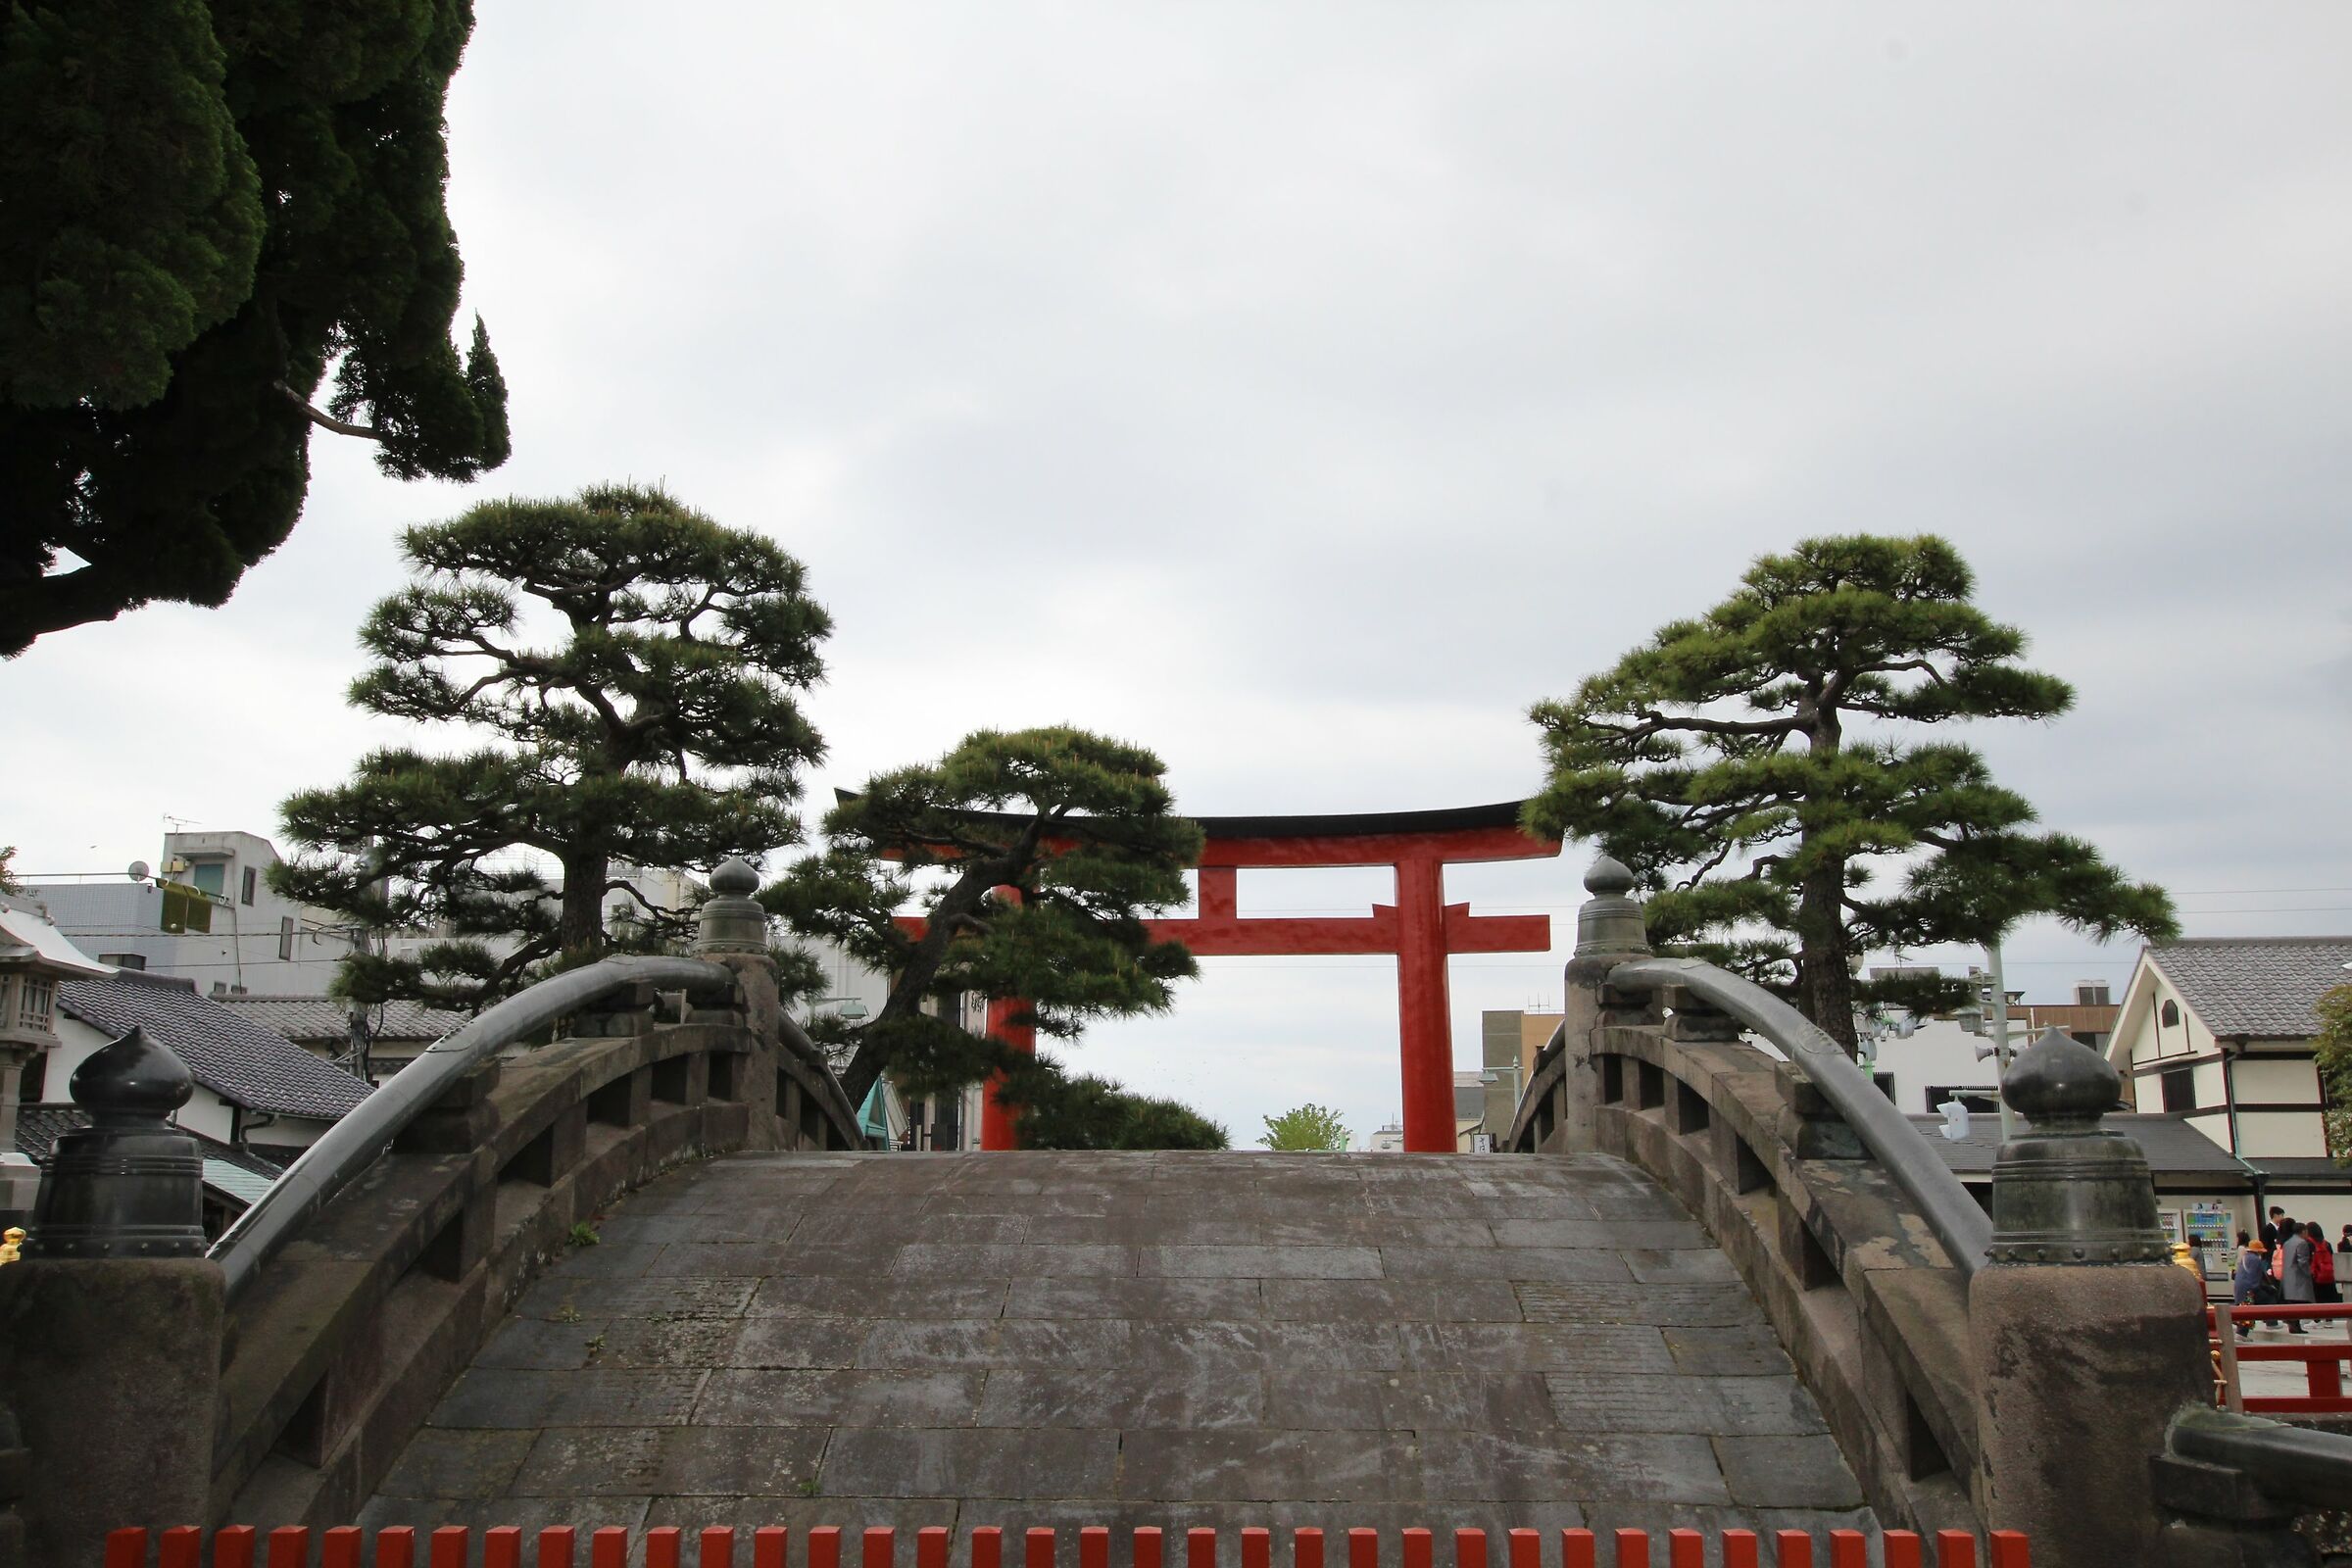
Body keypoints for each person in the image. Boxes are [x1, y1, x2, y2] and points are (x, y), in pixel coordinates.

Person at [2232, 1237, 2272, 1339]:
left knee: (2245, 1308)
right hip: (2249, 1288)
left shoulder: (2245, 1257)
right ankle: (2271, 1322)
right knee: (2266, 1300)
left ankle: (2241, 1332)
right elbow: (2254, 1277)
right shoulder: (2255, 1260)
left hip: (2240, 1287)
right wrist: (2260, 1288)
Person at [2279, 1222, 2316, 1333]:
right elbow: (2302, 1261)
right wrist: (2309, 1273)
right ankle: (2295, 1324)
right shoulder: (2302, 1243)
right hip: (2298, 1277)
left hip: (2288, 1276)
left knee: (2292, 1303)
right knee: (2300, 1302)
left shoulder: (2287, 1243)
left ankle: (2294, 1325)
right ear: (2303, 1231)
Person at [2310, 1221, 2340, 1306]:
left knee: (2319, 1303)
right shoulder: (2327, 1244)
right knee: (2330, 1302)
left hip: (2317, 1277)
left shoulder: (2309, 1244)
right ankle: (2329, 1319)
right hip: (2329, 1276)